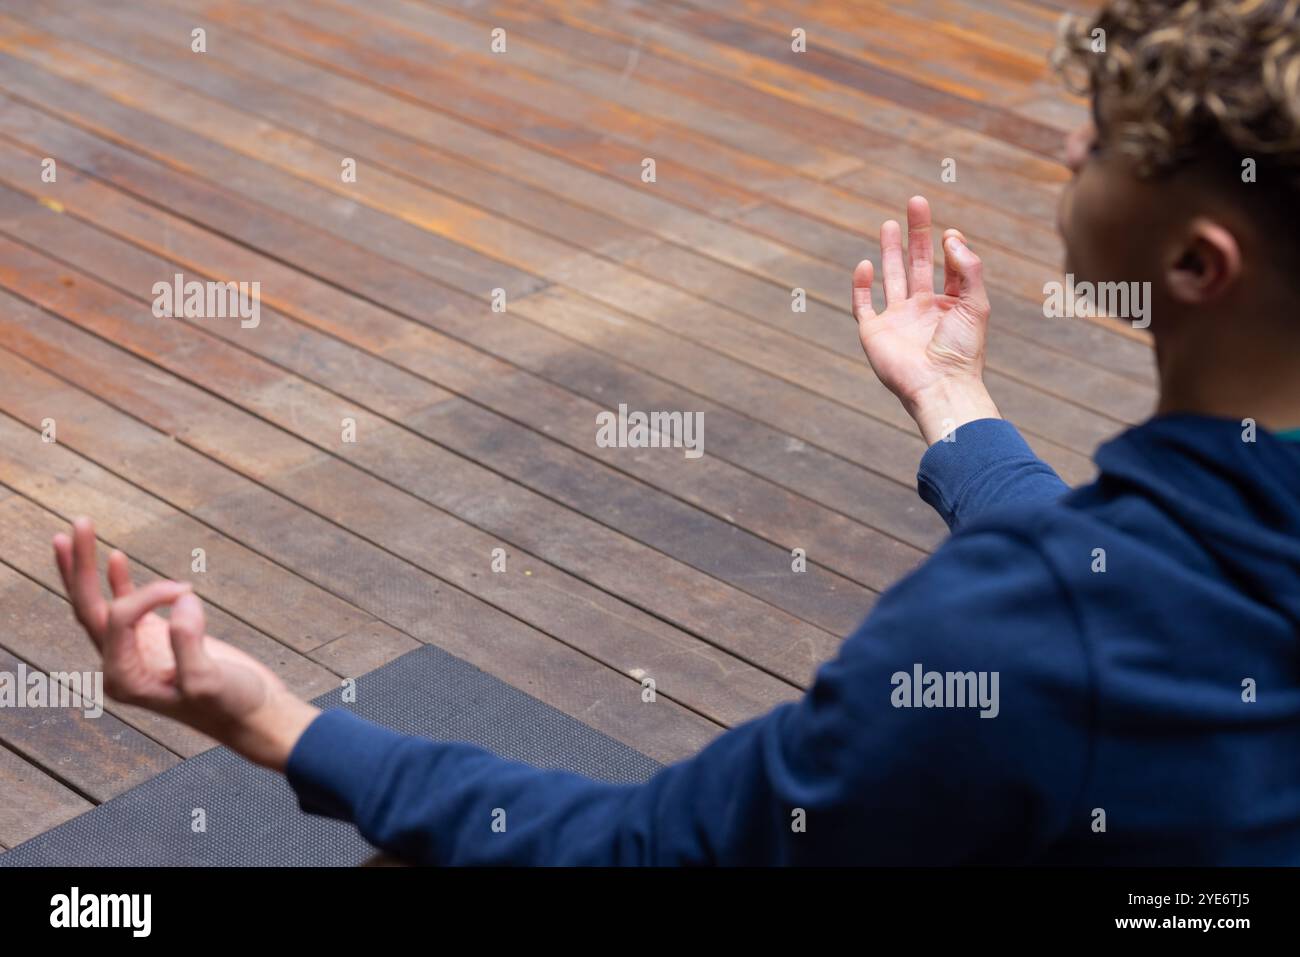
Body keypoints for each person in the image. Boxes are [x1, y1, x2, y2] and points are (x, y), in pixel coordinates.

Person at [53, 0, 1300, 864]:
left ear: (1195, 262)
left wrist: (271, 721)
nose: (1071, 149)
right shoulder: (1132, 599)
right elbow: (1160, 591)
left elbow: (644, 853)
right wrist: (952, 404)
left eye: (1108, 143)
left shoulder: (1008, 637)